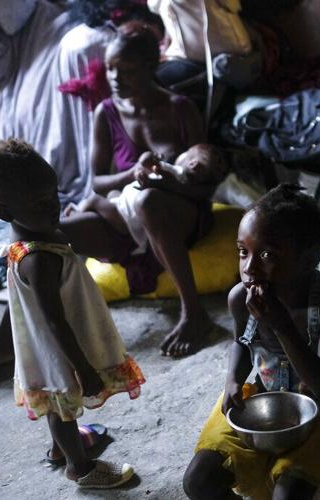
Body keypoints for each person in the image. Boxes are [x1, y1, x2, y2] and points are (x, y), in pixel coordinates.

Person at [183, 185, 320, 500]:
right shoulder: (241, 297)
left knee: (288, 494)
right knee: (198, 481)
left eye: (267, 254)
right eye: (243, 251)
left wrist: (281, 323)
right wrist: (233, 379)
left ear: (311, 255)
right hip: (263, 399)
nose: (250, 267)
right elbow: (242, 342)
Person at [0, 138, 145, 488]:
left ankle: (60, 450)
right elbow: (54, 320)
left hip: (50, 344)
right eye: (41, 203)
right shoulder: (37, 259)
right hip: (57, 350)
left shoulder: (34, 235)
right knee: (60, 406)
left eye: (53, 195)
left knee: (60, 406)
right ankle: (80, 468)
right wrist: (82, 366)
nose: (53, 207)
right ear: (5, 212)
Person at [60, 22, 219, 357]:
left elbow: (205, 185)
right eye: (111, 69)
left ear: (150, 67)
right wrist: (130, 173)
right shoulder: (107, 113)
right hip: (126, 220)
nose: (115, 78)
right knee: (52, 234)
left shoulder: (180, 109)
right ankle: (49, 333)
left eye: (127, 70)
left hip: (176, 218)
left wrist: (168, 181)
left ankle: (194, 313)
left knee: (148, 201)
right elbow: (98, 182)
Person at [66, 145, 229, 257]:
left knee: (94, 199)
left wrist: (149, 158)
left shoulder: (173, 173)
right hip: (129, 211)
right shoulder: (182, 182)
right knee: (113, 193)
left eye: (186, 153)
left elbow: (145, 164)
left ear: (193, 163)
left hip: (125, 215)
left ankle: (76, 212)